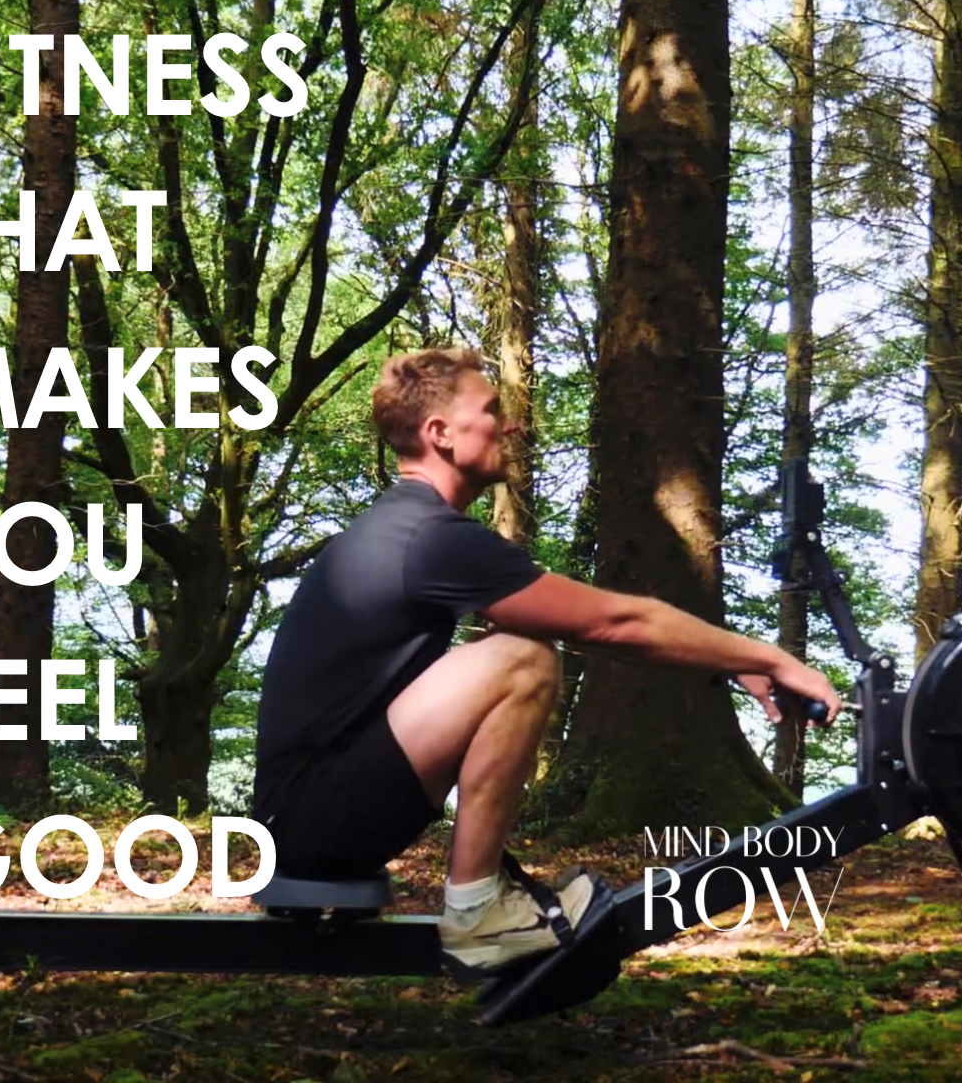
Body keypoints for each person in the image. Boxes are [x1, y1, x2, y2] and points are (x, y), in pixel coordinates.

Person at [253, 347, 842, 976]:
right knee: (520, 658)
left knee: (512, 648)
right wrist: (769, 657)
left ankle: (482, 902)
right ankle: (479, 911)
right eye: (491, 409)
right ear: (440, 434)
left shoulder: (406, 530)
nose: (511, 425)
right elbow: (615, 622)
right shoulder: (429, 540)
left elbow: (598, 627)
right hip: (311, 823)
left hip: (308, 815)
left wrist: (726, 662)